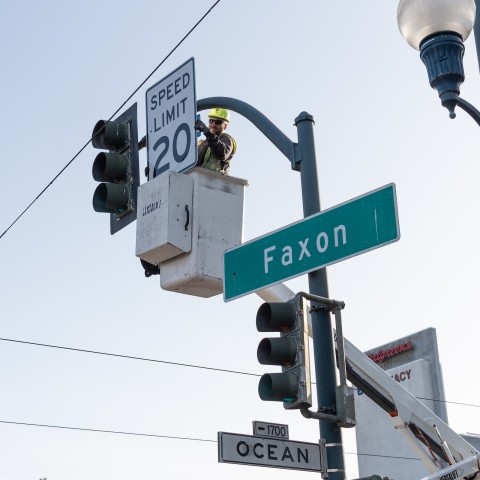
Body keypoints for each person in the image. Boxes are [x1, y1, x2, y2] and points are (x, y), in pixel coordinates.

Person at [194, 108, 237, 175]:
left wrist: (208, 132)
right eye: (211, 121)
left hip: (214, 182)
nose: (213, 124)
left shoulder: (226, 139)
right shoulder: (202, 143)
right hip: (198, 179)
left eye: (218, 122)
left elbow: (223, 153)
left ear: (225, 126)